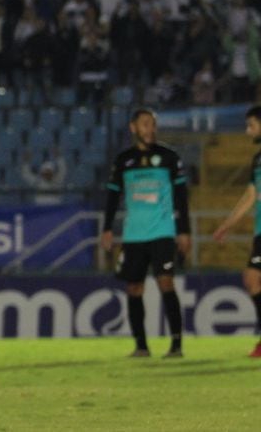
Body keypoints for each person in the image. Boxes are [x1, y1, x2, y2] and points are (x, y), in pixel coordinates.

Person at [101, 108, 191, 359]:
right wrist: (107, 228)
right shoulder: (123, 160)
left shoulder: (169, 157)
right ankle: (141, 346)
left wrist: (184, 231)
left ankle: (176, 345)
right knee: (134, 288)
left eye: (152, 124)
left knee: (165, 282)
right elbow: (112, 196)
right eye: (145, 124)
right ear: (133, 128)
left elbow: (182, 198)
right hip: (134, 235)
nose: (150, 129)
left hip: (162, 231)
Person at [209, 104, 261, 358]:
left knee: (252, 277)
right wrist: (226, 225)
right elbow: (250, 196)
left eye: (251, 125)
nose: (247, 130)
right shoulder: (258, 159)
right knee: (252, 279)